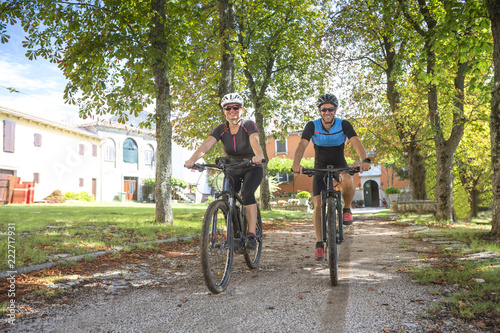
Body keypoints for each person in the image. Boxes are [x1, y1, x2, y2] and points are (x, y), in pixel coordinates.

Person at [292, 93, 371, 261]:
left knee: (348, 180)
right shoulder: (312, 125)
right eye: (324, 109)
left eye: (330, 109)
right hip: (319, 167)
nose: (327, 112)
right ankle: (319, 243)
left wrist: (365, 160)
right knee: (318, 205)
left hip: (339, 164)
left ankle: (347, 209)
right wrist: (296, 163)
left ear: (335, 110)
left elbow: (355, 141)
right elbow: (302, 144)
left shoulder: (344, 124)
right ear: (319, 111)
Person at [184, 93, 265, 249]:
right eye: (228, 108)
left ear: (241, 109)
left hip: (251, 166)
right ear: (224, 111)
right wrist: (192, 160)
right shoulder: (221, 129)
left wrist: (258, 155)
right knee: (227, 196)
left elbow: (254, 140)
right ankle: (234, 232)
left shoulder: (248, 125)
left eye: (236, 107)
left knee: (247, 193)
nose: (232, 110)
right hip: (232, 168)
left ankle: (252, 235)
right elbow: (206, 146)